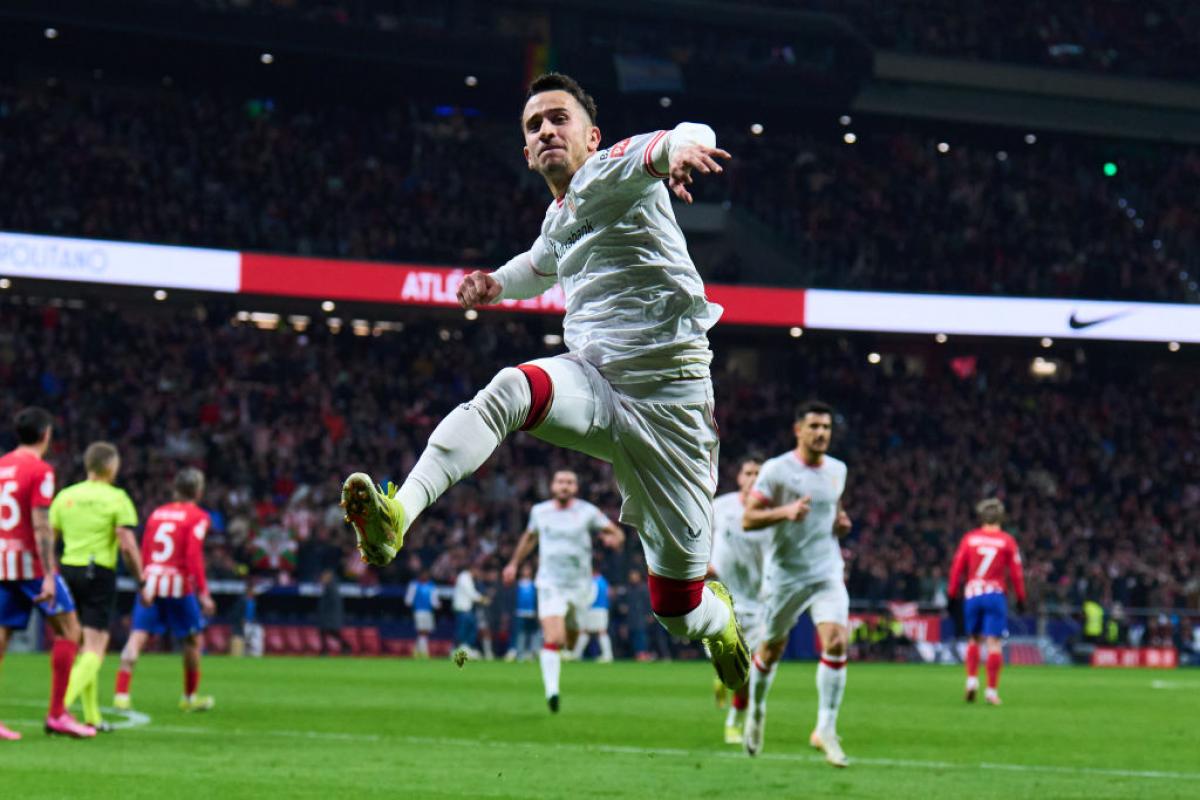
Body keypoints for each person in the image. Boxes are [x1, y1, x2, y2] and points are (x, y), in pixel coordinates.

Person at [340, 70, 750, 690]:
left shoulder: (613, 170)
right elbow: (538, 264)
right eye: (534, 125)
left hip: (673, 412)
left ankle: (719, 623)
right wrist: (495, 284)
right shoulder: (559, 219)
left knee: (677, 611)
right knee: (510, 389)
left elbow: (673, 138)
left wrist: (689, 146)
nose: (547, 130)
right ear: (527, 153)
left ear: (592, 136)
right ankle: (398, 513)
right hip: (596, 385)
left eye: (559, 118)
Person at [742, 401, 853, 767]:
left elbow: (833, 511)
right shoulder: (777, 470)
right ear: (798, 430)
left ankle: (826, 728)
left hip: (827, 571)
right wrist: (784, 512)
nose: (822, 433)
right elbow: (748, 519)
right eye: (815, 426)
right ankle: (756, 710)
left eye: (826, 427)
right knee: (771, 650)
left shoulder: (838, 470)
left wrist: (841, 524)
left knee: (836, 640)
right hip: (786, 575)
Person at [0, 407, 94, 739]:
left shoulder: (1, 466)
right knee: (70, 630)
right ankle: (57, 715)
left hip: (3, 560)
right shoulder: (40, 470)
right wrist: (50, 574)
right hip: (30, 565)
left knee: (1, 637)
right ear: (46, 435)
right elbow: (41, 524)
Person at [502, 469, 623, 712]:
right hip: (550, 584)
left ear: (575, 487)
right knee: (554, 638)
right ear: (552, 486)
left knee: (570, 639)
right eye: (560, 482)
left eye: (569, 482)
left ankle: (562, 651)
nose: (564, 486)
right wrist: (513, 564)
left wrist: (614, 540)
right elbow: (529, 538)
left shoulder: (587, 511)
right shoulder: (540, 511)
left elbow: (616, 532)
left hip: (579, 586)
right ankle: (552, 691)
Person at [52, 441, 144, 732]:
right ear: (111, 467)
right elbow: (127, 544)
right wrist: (141, 578)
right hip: (98, 572)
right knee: (95, 647)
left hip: (67, 570)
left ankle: (92, 716)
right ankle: (59, 708)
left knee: (80, 645)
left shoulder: (66, 496)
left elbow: (49, 536)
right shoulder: (116, 498)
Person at [114, 467, 215, 712]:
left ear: (176, 489)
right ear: (198, 491)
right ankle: (189, 698)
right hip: (179, 584)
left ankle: (121, 695)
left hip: (152, 581)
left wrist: (143, 581)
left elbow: (146, 549)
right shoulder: (198, 516)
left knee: (137, 636)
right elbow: (193, 555)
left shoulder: (157, 513)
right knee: (192, 640)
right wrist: (203, 592)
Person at [708, 454, 768, 744]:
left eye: (759, 473)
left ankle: (733, 720)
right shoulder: (720, 507)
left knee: (749, 671)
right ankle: (722, 675)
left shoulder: (772, 515)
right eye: (749, 472)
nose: (753, 478)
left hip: (758, 602)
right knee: (729, 663)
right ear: (739, 477)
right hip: (722, 596)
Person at [947, 498, 1027, 706]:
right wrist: (1021, 598)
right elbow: (1016, 573)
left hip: (973, 593)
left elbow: (956, 568)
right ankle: (991, 692)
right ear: (1001, 517)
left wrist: (952, 594)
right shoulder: (1007, 541)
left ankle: (972, 681)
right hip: (995, 594)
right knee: (994, 643)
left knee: (973, 639)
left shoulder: (970, 539)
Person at [573, 566, 612, 663]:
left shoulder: (593, 582)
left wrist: (583, 606)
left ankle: (607, 655)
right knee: (595, 631)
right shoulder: (604, 581)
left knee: (591, 631)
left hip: (593, 609)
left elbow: (590, 597)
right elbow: (608, 595)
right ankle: (607, 654)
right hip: (603, 609)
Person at [452, 562, 486, 658]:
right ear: (473, 569)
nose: (479, 573)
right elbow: (470, 593)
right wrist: (482, 599)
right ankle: (459, 650)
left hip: (467, 609)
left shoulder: (468, 578)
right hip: (462, 608)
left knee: (471, 628)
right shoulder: (464, 577)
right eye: (478, 571)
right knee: (463, 630)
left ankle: (466, 648)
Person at [508, 564, 538, 662]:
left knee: (532, 633)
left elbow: (536, 599)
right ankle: (520, 653)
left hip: (531, 613)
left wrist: (537, 611)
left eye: (528, 569)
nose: (526, 572)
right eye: (524, 569)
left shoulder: (534, 584)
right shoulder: (517, 585)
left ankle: (532, 653)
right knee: (520, 634)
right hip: (520, 612)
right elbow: (513, 599)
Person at [405, 569, 438, 658]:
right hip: (418, 611)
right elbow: (408, 600)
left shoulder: (432, 585)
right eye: (423, 574)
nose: (425, 576)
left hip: (428, 611)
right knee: (422, 631)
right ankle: (424, 652)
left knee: (425, 632)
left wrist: (437, 605)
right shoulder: (414, 585)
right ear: (420, 575)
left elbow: (434, 600)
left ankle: (416, 651)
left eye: (427, 575)